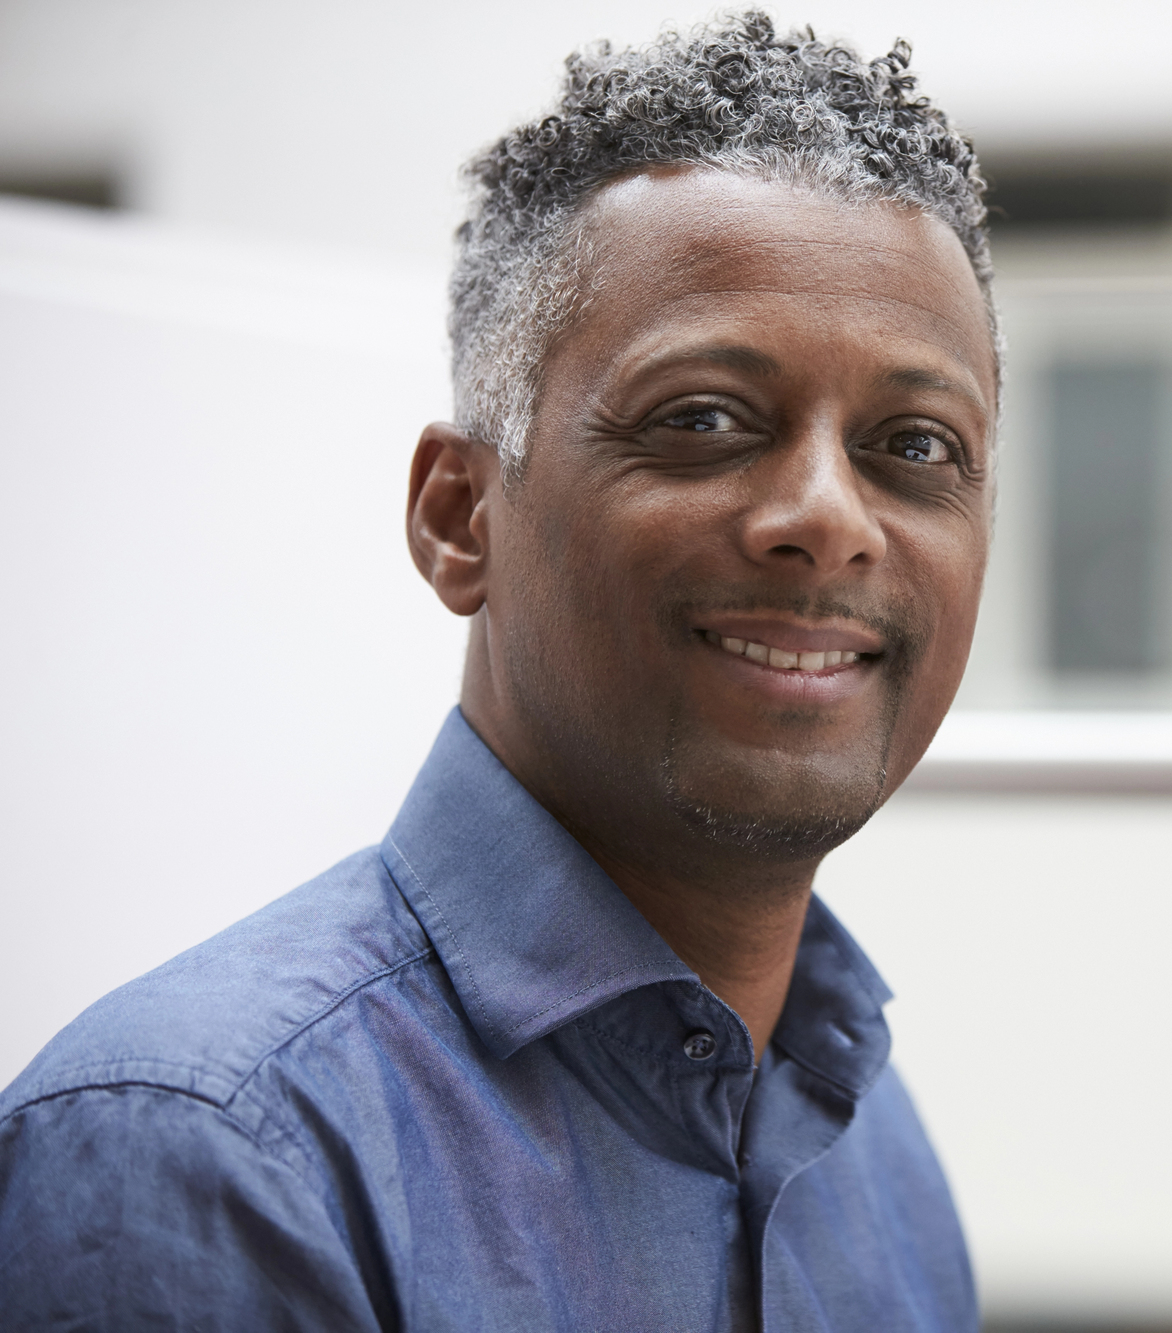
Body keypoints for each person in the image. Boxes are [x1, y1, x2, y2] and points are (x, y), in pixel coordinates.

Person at [0, 13, 994, 1329]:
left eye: (915, 446)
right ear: (461, 515)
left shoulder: (870, 1141)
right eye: (702, 418)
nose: (831, 514)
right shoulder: (208, 1152)